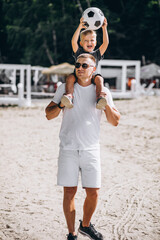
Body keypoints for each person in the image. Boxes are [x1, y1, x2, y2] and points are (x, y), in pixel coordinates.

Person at [45, 54, 120, 240]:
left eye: (84, 65)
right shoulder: (64, 88)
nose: (80, 68)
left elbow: (115, 121)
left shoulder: (102, 91)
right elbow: (48, 114)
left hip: (91, 148)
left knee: (93, 192)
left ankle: (85, 225)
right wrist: (61, 104)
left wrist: (106, 107)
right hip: (68, 148)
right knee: (69, 192)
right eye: (77, 64)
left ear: (93, 69)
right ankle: (71, 233)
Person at [61, 16, 109, 110]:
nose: (89, 42)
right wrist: (79, 27)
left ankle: (100, 98)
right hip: (77, 75)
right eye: (86, 40)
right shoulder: (79, 52)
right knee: (70, 78)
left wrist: (104, 28)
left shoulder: (97, 54)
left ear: (95, 43)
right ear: (81, 43)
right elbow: (73, 41)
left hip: (91, 77)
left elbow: (105, 43)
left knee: (99, 79)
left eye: (92, 40)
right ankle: (69, 97)